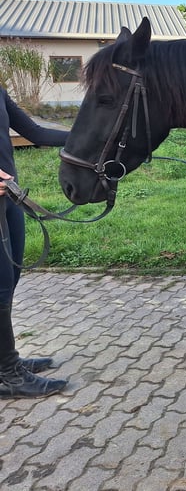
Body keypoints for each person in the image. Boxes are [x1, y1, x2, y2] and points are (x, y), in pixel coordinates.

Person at [0, 86, 68, 398]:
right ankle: (9, 374)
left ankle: (5, 360)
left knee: (10, 279)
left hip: (8, 199)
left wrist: (91, 135)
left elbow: (35, 133)